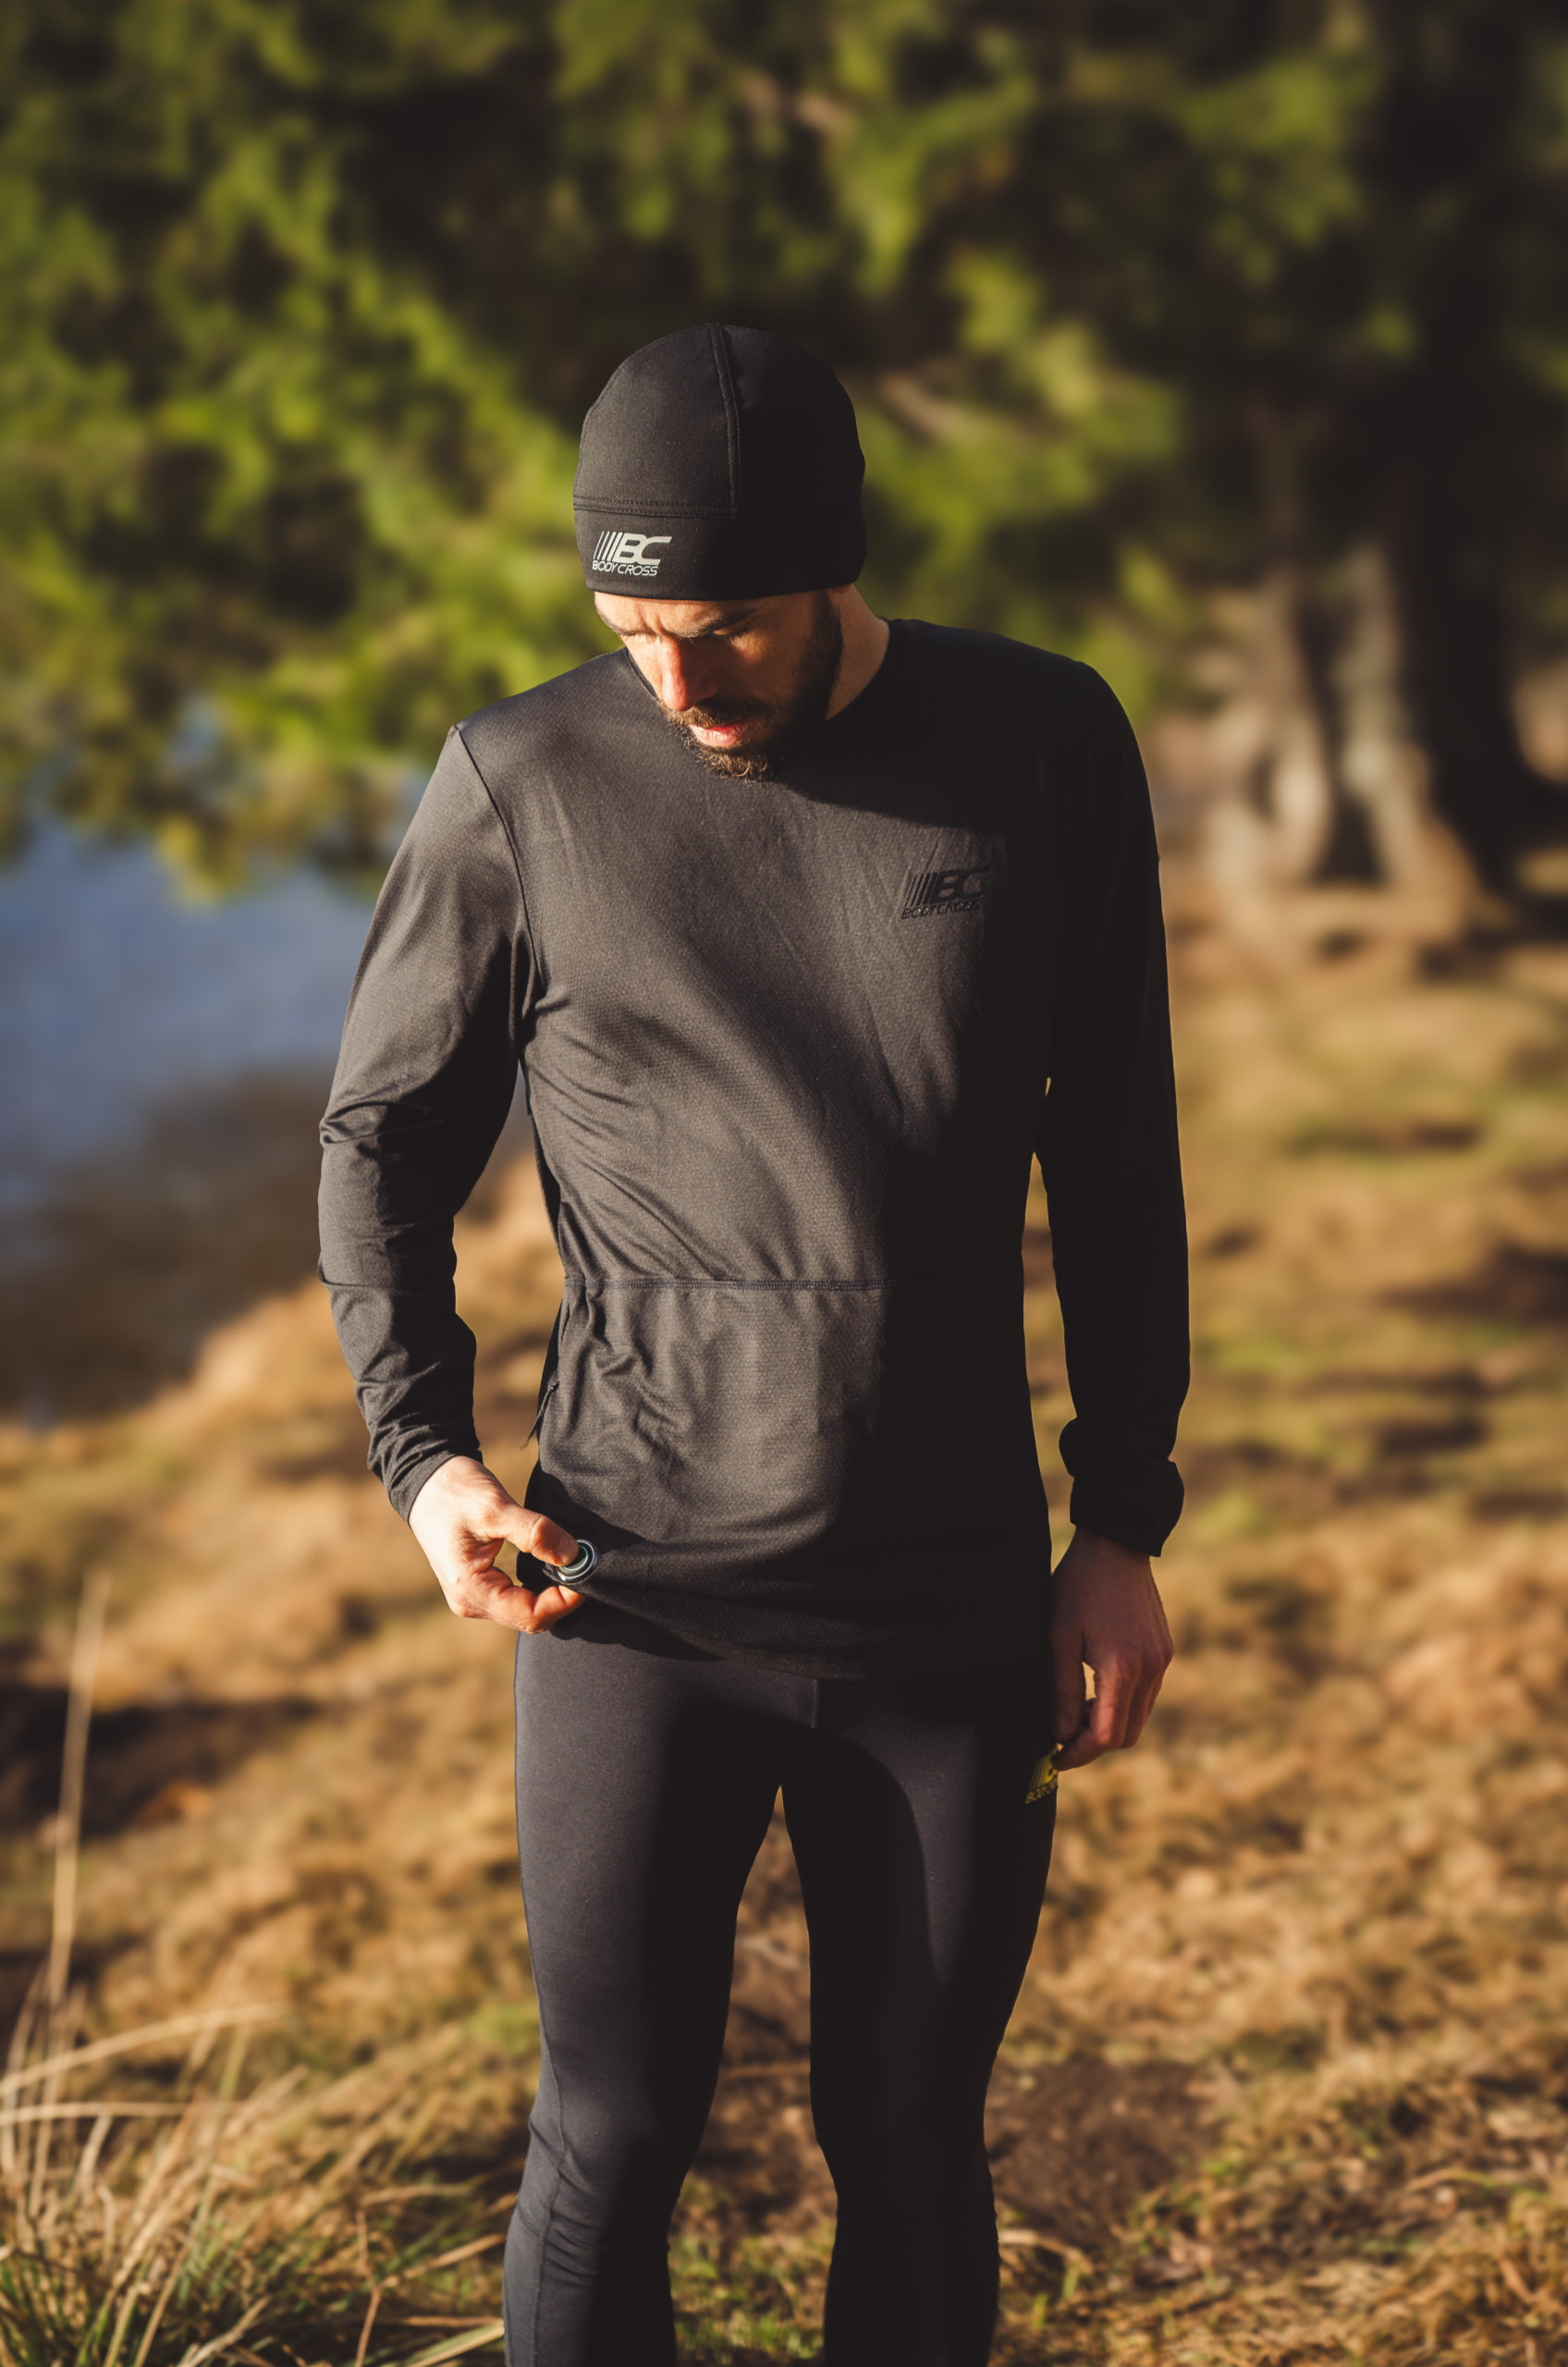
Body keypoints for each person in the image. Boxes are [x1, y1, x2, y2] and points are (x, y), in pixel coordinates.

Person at [319, 322, 1189, 2367]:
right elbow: (381, 1141)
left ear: (833, 565)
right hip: (627, 1592)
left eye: (721, 631)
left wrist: (1122, 1515)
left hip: (949, 1594)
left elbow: (1117, 1145)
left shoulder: (1043, 740)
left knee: (908, 2132)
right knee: (612, 2131)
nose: (677, 684)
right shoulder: (522, 780)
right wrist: (425, 1460)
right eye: (631, 633)